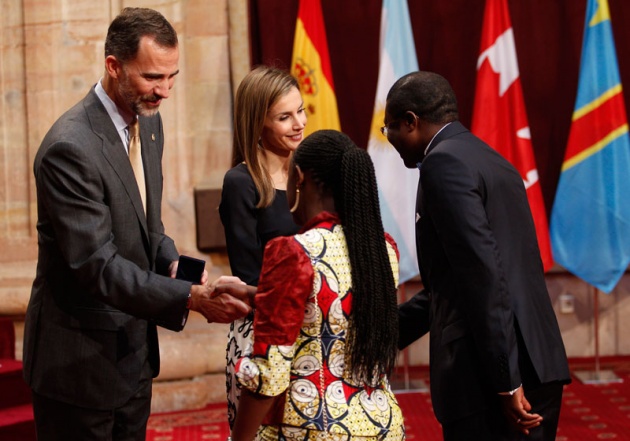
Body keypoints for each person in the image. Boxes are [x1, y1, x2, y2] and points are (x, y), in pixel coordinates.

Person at [22, 8, 250, 441]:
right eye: (151, 77)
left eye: (172, 77)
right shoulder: (69, 148)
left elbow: (148, 224)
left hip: (133, 357)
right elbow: (97, 265)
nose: (164, 91)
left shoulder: (149, 123)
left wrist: (178, 267)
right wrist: (190, 298)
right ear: (113, 65)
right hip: (79, 368)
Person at [383, 71, 571, 441]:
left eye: (388, 129)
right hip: (537, 360)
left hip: (491, 380)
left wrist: (506, 380)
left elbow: (484, 276)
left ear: (411, 122)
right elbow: (459, 282)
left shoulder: (443, 164)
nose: (389, 140)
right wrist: (383, 334)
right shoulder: (493, 160)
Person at [220, 130, 405, 440]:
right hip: (383, 424)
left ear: (300, 178)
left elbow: (271, 373)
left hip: (311, 427)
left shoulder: (293, 252)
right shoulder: (384, 250)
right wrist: (259, 295)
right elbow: (332, 307)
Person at [218, 65, 304, 430]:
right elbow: (248, 274)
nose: (299, 123)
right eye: (284, 117)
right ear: (258, 123)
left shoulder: (312, 172)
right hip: (264, 335)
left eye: (301, 110)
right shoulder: (241, 183)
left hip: (318, 332)